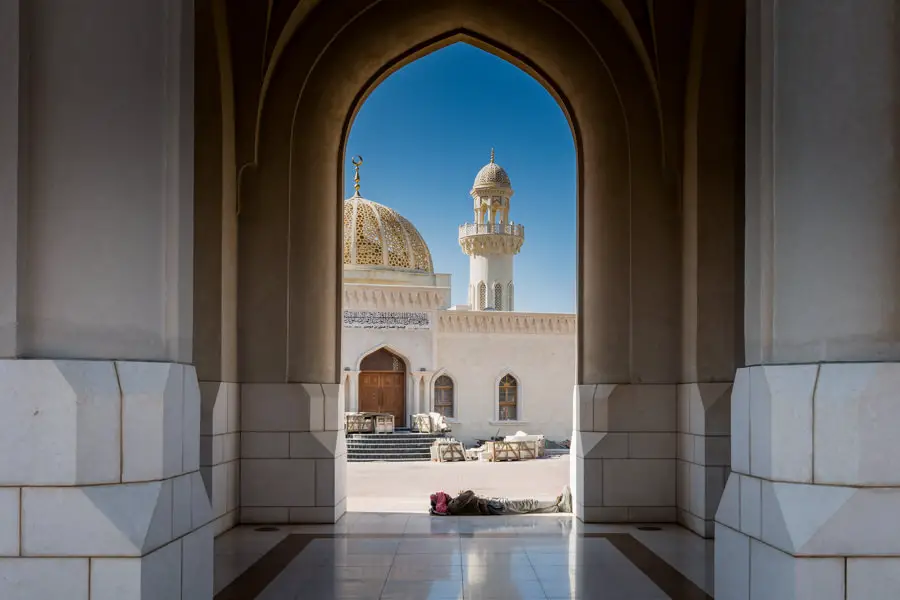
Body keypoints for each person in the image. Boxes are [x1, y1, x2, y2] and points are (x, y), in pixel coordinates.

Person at [430, 485, 572, 516]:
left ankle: (556, 507)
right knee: (527, 504)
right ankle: (556, 503)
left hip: (492, 505)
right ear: (441, 501)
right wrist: (462, 494)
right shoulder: (453, 505)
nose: (446, 494)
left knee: (526, 507)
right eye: (442, 495)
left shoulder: (452, 505)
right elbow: (470, 493)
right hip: (494, 506)